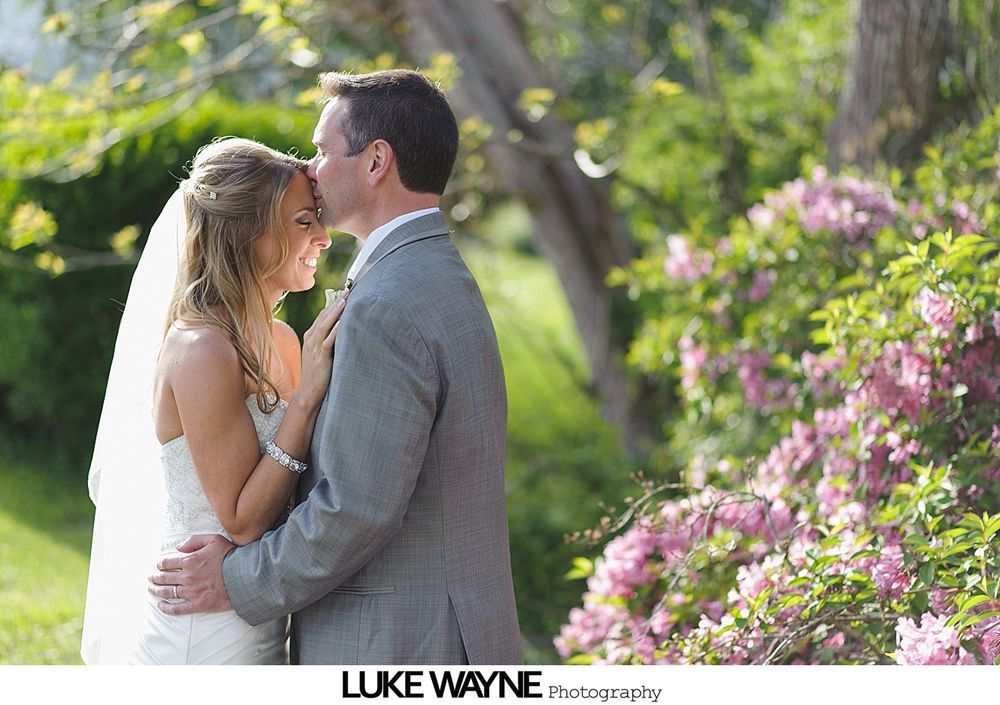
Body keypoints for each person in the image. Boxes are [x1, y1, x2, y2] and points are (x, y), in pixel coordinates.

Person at [147, 69, 523, 664]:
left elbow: (354, 509)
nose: (312, 171)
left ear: (376, 161)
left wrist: (238, 579)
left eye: (323, 151)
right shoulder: (434, 275)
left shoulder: (386, 302)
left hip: (398, 645)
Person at [81, 137, 345, 664]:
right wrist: (308, 396)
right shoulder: (200, 348)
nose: (324, 237)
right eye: (302, 222)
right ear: (249, 234)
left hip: (260, 611)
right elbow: (243, 520)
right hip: (200, 629)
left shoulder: (284, 341)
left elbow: (292, 486)